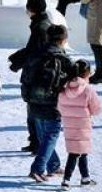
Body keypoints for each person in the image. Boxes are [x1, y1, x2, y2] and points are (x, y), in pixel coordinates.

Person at [22, 24, 73, 183]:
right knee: (51, 135)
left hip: (34, 101)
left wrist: (27, 98)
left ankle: (54, 165)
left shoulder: (35, 55)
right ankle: (38, 169)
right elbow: (74, 83)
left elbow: (25, 78)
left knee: (44, 135)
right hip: (54, 104)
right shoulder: (64, 59)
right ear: (64, 40)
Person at [8, 0, 52, 154]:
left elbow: (36, 53)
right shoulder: (41, 25)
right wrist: (18, 56)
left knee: (35, 110)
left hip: (37, 75)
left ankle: (37, 143)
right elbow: (32, 49)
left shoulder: (40, 27)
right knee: (32, 110)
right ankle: (35, 142)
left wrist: (18, 62)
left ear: (32, 10)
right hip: (36, 74)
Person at [57, 59, 102, 190]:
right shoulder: (88, 90)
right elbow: (97, 109)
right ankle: (66, 180)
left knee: (79, 151)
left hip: (69, 125)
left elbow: (60, 107)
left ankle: (85, 178)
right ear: (86, 73)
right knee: (77, 153)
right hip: (83, 126)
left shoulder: (63, 88)